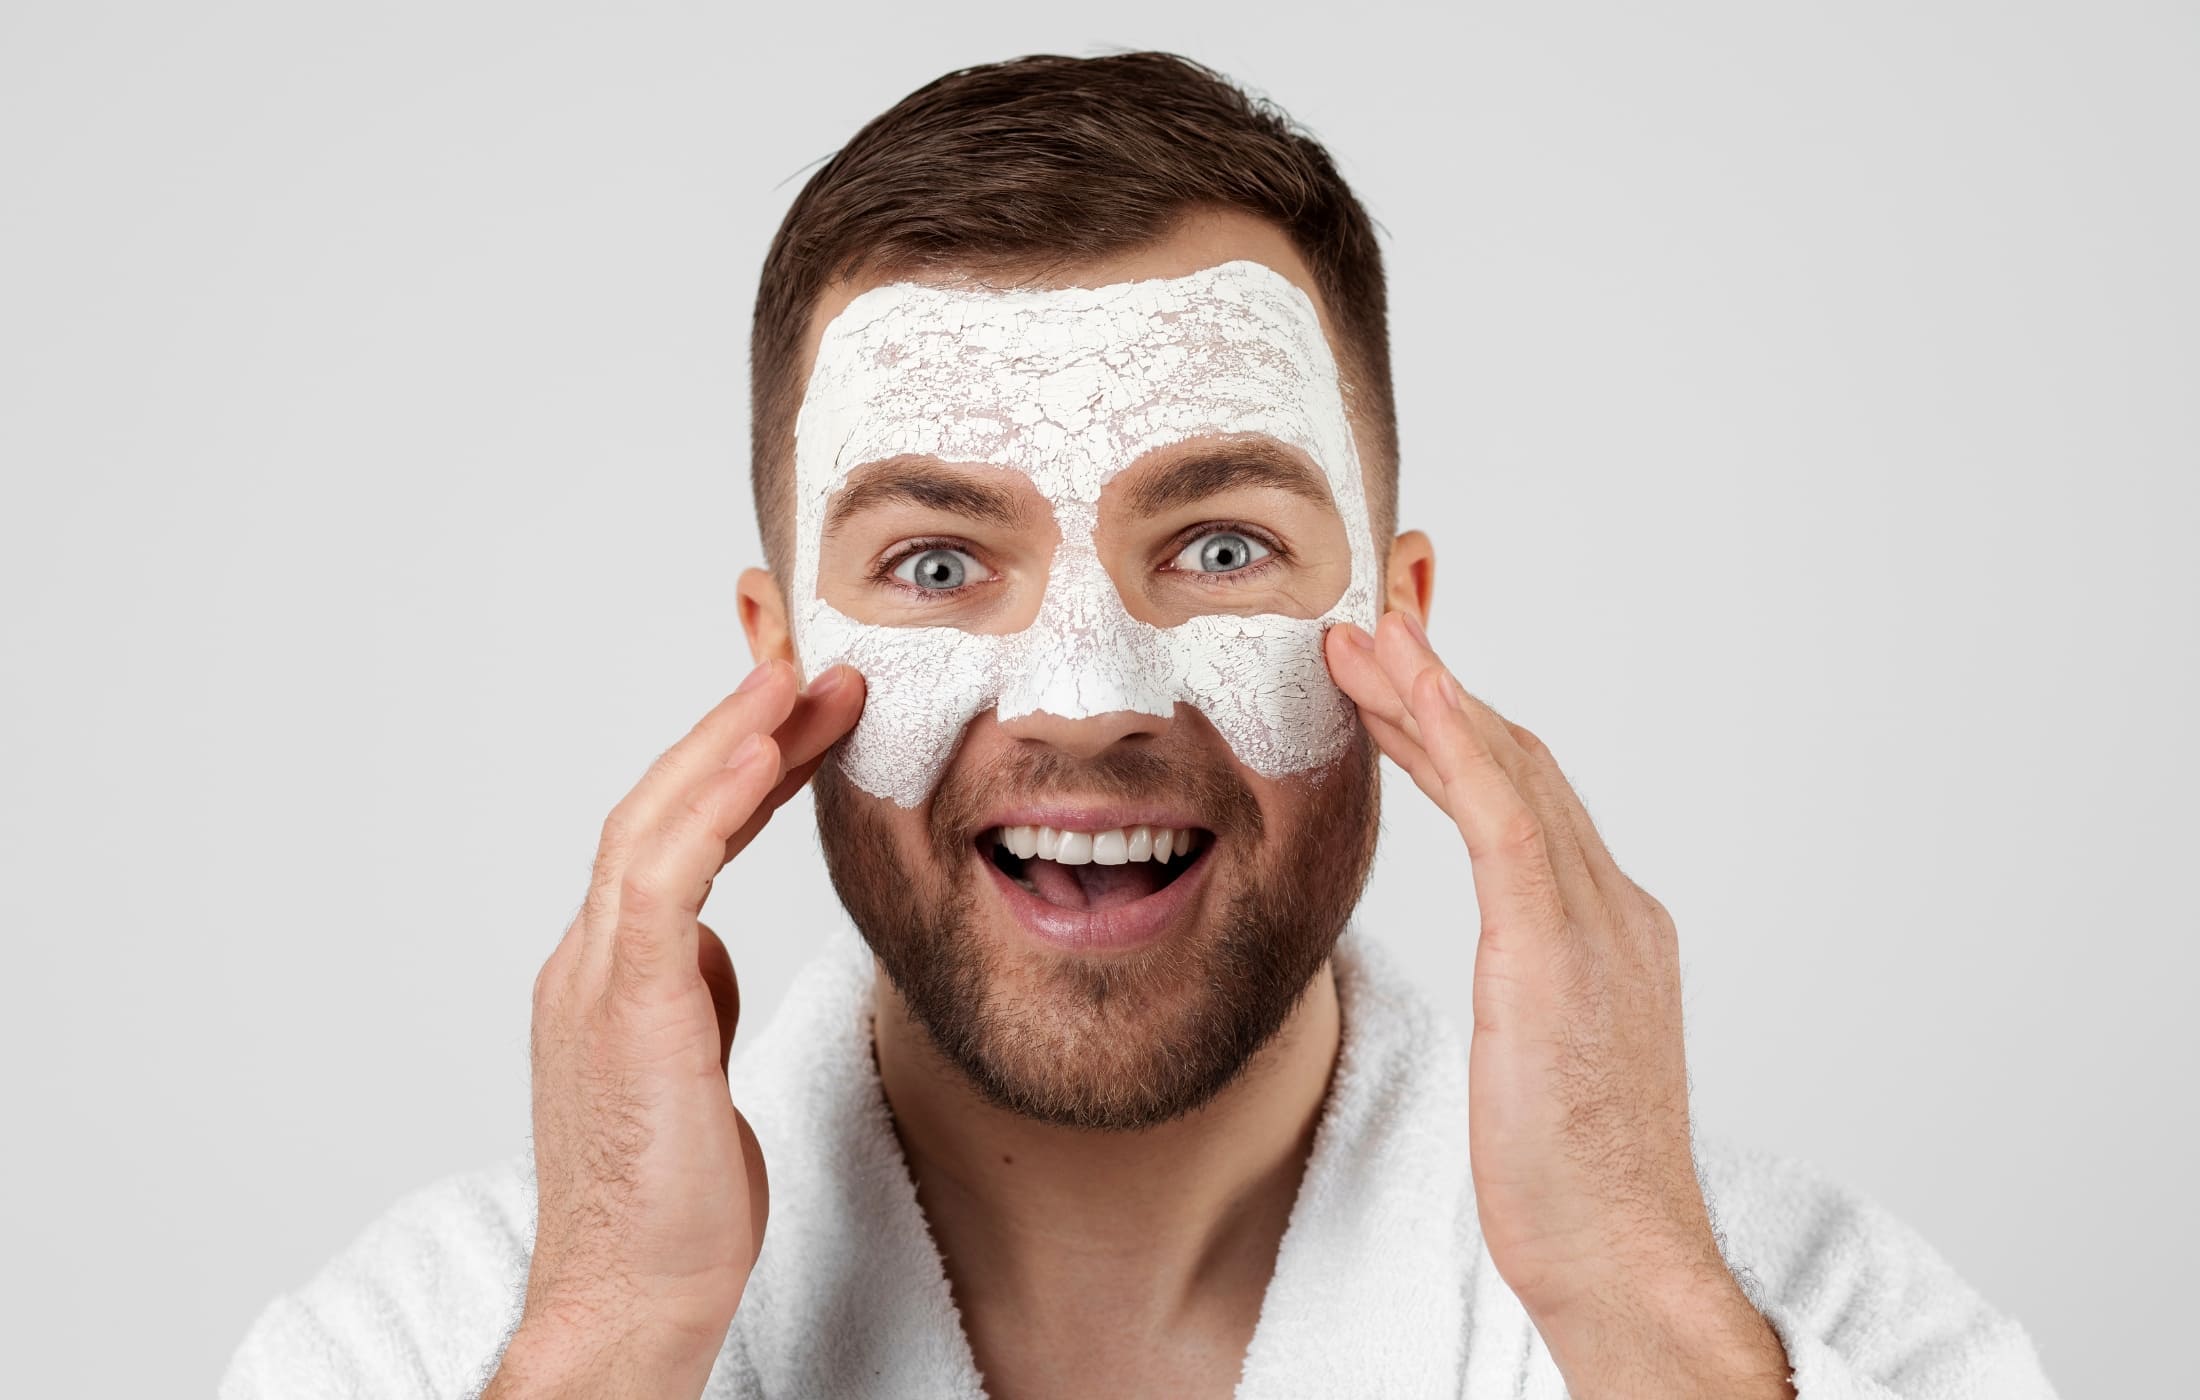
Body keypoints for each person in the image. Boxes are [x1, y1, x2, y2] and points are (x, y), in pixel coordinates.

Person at [220, 52, 2058, 1400]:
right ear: (772, 662)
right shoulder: (433, 1340)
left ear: (1396, 620)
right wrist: (619, 1336)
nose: (1091, 698)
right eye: (940, 564)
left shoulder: (1786, 1321)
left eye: (1219, 544)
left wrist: (1634, 1308)